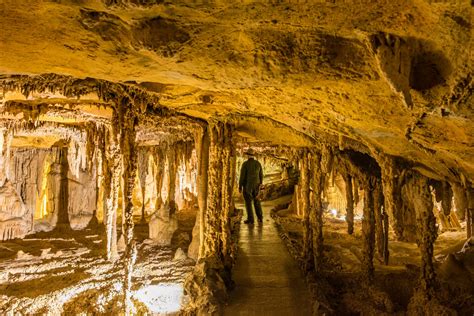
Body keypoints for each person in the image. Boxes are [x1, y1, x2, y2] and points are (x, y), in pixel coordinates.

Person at [239, 149, 263, 224]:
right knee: (257, 202)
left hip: (248, 186)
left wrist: (240, 186)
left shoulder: (245, 164)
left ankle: (251, 219)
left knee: (248, 203)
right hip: (257, 186)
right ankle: (260, 217)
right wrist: (261, 184)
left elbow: (242, 176)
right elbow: (261, 175)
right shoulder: (258, 163)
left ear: (248, 156)